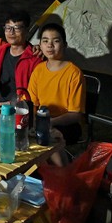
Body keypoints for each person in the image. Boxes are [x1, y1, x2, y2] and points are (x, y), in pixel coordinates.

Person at [28, 22, 85, 165]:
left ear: (64, 44)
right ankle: (35, 176)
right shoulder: (38, 70)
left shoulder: (73, 73)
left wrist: (49, 122)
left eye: (56, 41)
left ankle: (63, 176)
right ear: (40, 45)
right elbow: (32, 103)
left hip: (67, 124)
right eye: (45, 41)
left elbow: (75, 114)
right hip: (41, 120)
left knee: (49, 136)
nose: (50, 45)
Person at [0, 10, 42, 103]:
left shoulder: (35, 58)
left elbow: (36, 92)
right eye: (8, 28)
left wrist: (15, 103)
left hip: (21, 109)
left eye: (16, 28)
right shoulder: (0, 51)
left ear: (26, 30)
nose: (11, 32)